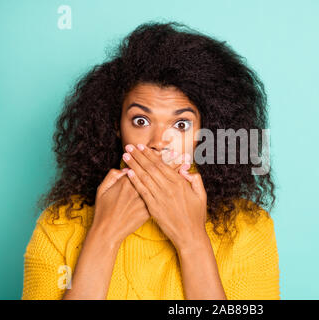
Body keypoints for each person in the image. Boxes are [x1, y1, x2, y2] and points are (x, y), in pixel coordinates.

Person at [22, 21, 279, 300]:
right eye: (141, 120)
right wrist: (103, 235)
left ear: (205, 133)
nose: (158, 141)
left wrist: (192, 240)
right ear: (117, 125)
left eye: (181, 125)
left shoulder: (248, 229)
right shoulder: (59, 226)